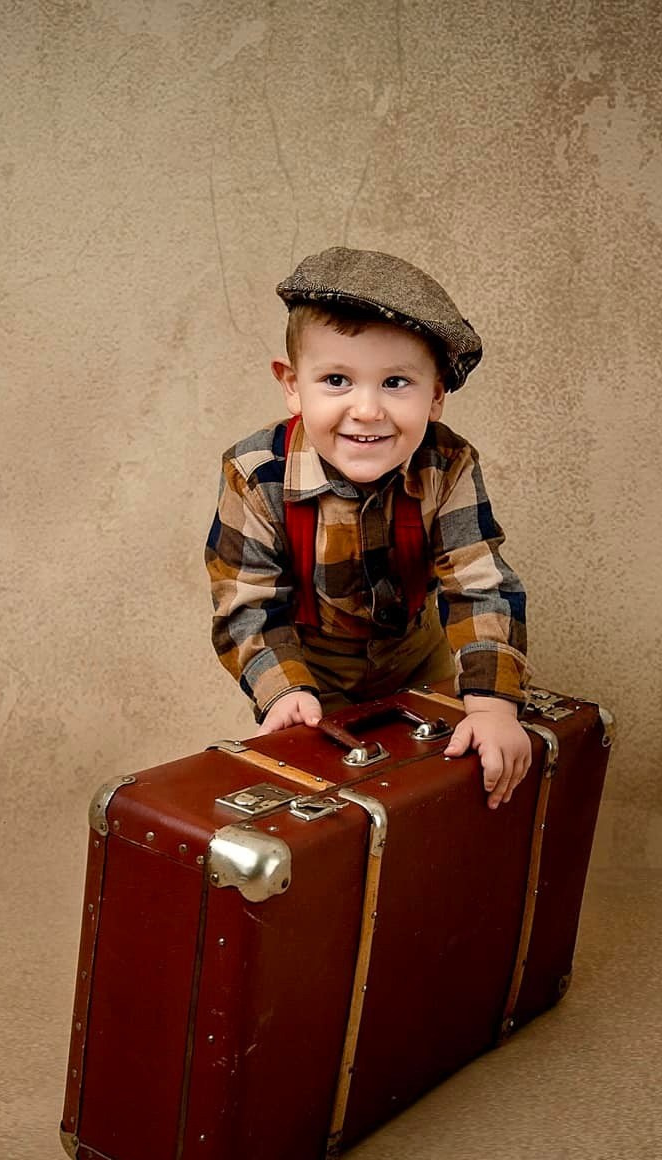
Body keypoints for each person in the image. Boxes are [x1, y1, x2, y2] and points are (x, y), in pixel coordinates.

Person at [205, 246, 533, 809]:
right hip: (313, 667)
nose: (366, 409)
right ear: (291, 385)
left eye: (396, 383)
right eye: (336, 379)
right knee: (335, 799)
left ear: (435, 396)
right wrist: (284, 690)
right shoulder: (256, 475)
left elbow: (478, 583)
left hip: (418, 653)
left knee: (443, 782)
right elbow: (247, 602)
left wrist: (491, 704)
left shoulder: (447, 464)